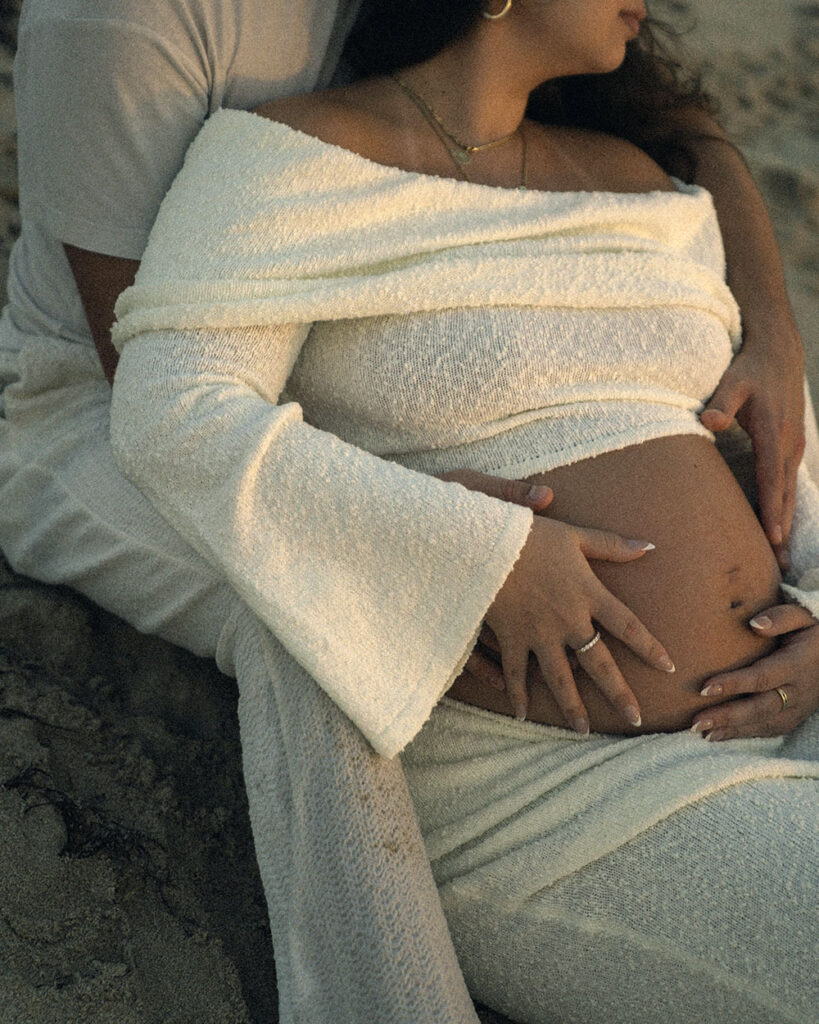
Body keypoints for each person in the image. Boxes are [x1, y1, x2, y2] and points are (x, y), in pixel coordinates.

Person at [0, 2, 816, 1022]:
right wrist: (472, 553)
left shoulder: (638, 177)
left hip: (788, 713)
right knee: (280, 618)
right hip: (563, 790)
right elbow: (169, 406)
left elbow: (752, 443)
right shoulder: (280, 152)